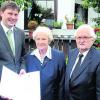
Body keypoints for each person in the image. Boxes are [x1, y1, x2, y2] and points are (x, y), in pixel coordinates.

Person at [25, 26, 66, 100]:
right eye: (38, 39)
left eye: (44, 39)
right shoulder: (28, 57)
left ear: (49, 40)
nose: (40, 42)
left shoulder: (59, 56)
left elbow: (62, 83)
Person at [65, 24, 100, 100]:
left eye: (85, 37)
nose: (81, 41)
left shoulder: (98, 58)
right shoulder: (72, 53)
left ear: (93, 39)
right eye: (79, 37)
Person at [0, 1, 26, 82]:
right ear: (1, 13)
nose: (13, 17)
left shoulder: (20, 33)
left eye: (16, 14)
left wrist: (22, 68)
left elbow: (23, 56)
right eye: (10, 13)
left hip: (17, 82)